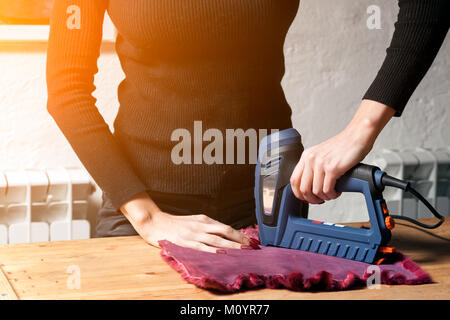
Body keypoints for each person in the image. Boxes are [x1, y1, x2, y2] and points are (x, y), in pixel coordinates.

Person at [46, 0, 449, 253]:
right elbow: (67, 91)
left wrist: (361, 130)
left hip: (269, 206)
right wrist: (150, 218)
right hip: (143, 212)